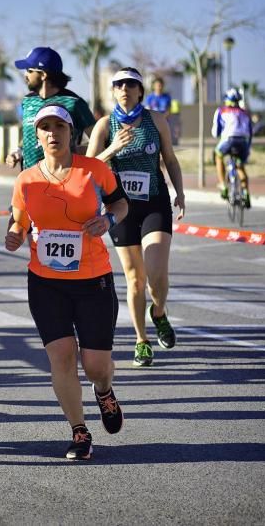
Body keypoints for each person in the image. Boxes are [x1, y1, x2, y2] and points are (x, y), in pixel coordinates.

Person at [5, 104, 129, 461]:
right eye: (45, 127)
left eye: (59, 126)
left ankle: (104, 391)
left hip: (93, 281)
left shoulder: (94, 171)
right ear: (37, 135)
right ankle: (79, 430)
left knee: (95, 366)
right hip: (45, 282)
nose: (52, 133)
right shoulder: (26, 179)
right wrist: (15, 235)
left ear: (70, 133)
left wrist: (107, 220)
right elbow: (19, 222)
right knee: (61, 357)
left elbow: (121, 205)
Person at [87, 67, 185, 367]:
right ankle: (141, 341)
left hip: (154, 203)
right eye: (119, 85)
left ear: (140, 91)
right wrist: (113, 148)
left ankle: (158, 312)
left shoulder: (156, 120)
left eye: (131, 84)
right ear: (113, 91)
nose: (125, 89)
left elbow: (169, 158)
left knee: (156, 274)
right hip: (121, 207)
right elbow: (88, 165)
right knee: (134, 279)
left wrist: (180, 193)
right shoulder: (105, 125)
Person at [7, 47, 95, 171]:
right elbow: (30, 134)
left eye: (29, 70)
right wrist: (18, 151)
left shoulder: (74, 103)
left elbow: (97, 141)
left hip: (63, 180)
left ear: (43, 75)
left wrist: (76, 151)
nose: (25, 75)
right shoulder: (27, 101)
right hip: (31, 180)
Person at [212, 87, 253, 208]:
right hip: (244, 142)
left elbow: (215, 132)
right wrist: (248, 147)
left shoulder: (221, 110)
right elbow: (250, 132)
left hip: (229, 140)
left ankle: (223, 185)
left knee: (218, 155)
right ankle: (246, 193)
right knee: (240, 166)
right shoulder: (245, 112)